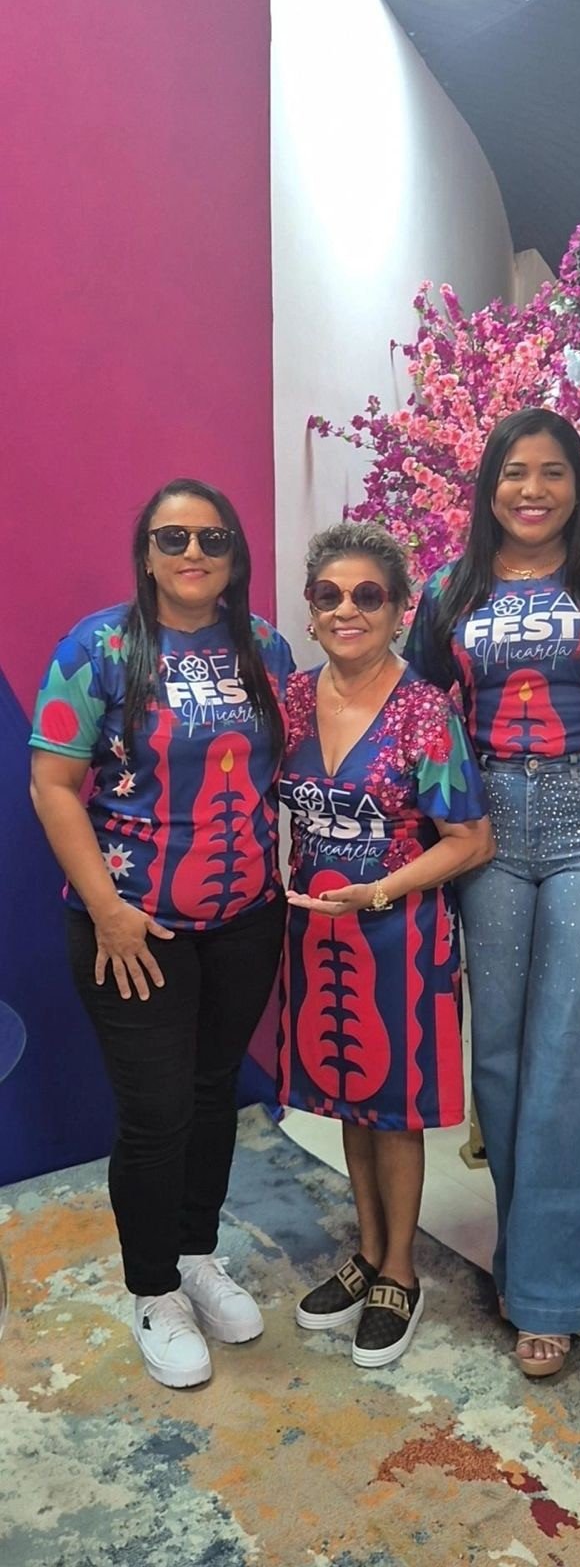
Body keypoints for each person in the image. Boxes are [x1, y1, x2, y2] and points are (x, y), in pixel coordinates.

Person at [30, 479, 293, 1388]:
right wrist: (106, 907)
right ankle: (152, 1289)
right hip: (133, 928)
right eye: (172, 537)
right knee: (155, 1115)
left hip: (246, 919)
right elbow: (53, 785)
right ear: (146, 552)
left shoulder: (264, 647)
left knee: (215, 1093)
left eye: (212, 538)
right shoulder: (98, 646)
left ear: (234, 554)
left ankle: (195, 1255)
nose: (193, 554)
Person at [405, 407, 580, 1376]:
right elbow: (419, 707)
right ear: (490, 486)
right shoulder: (448, 588)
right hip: (490, 816)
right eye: (515, 471)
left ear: (579, 485)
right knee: (501, 1056)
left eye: (553, 471)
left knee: (571, 1053)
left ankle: (547, 1293)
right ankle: (525, 1252)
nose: (533, 489)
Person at [280, 522, 493, 1368]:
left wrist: (380, 891)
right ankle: (366, 1252)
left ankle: (400, 1270)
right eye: (328, 595)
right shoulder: (293, 700)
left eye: (368, 595)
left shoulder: (422, 710)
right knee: (346, 1092)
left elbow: (470, 839)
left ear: (400, 608)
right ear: (309, 608)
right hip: (316, 931)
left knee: (394, 1110)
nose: (347, 610)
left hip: (400, 933)